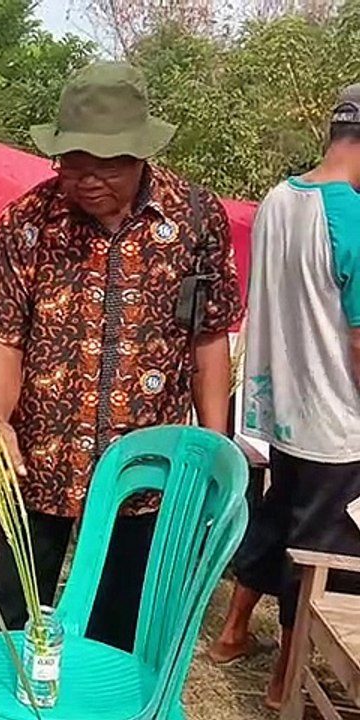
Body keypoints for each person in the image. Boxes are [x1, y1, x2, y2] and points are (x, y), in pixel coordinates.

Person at [0, 62, 243, 652]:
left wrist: (208, 452)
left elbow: (209, 338)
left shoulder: (196, 218)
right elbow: (3, 335)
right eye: (73, 163)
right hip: (38, 466)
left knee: (118, 635)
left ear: (141, 155)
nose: (88, 179)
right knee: (12, 624)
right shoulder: (27, 222)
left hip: (145, 476)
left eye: (108, 165)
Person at [220, 83, 360, 710]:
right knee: (324, 552)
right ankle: (285, 675)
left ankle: (232, 630)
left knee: (279, 517)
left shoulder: (279, 198)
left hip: (282, 410)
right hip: (337, 419)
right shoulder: (352, 218)